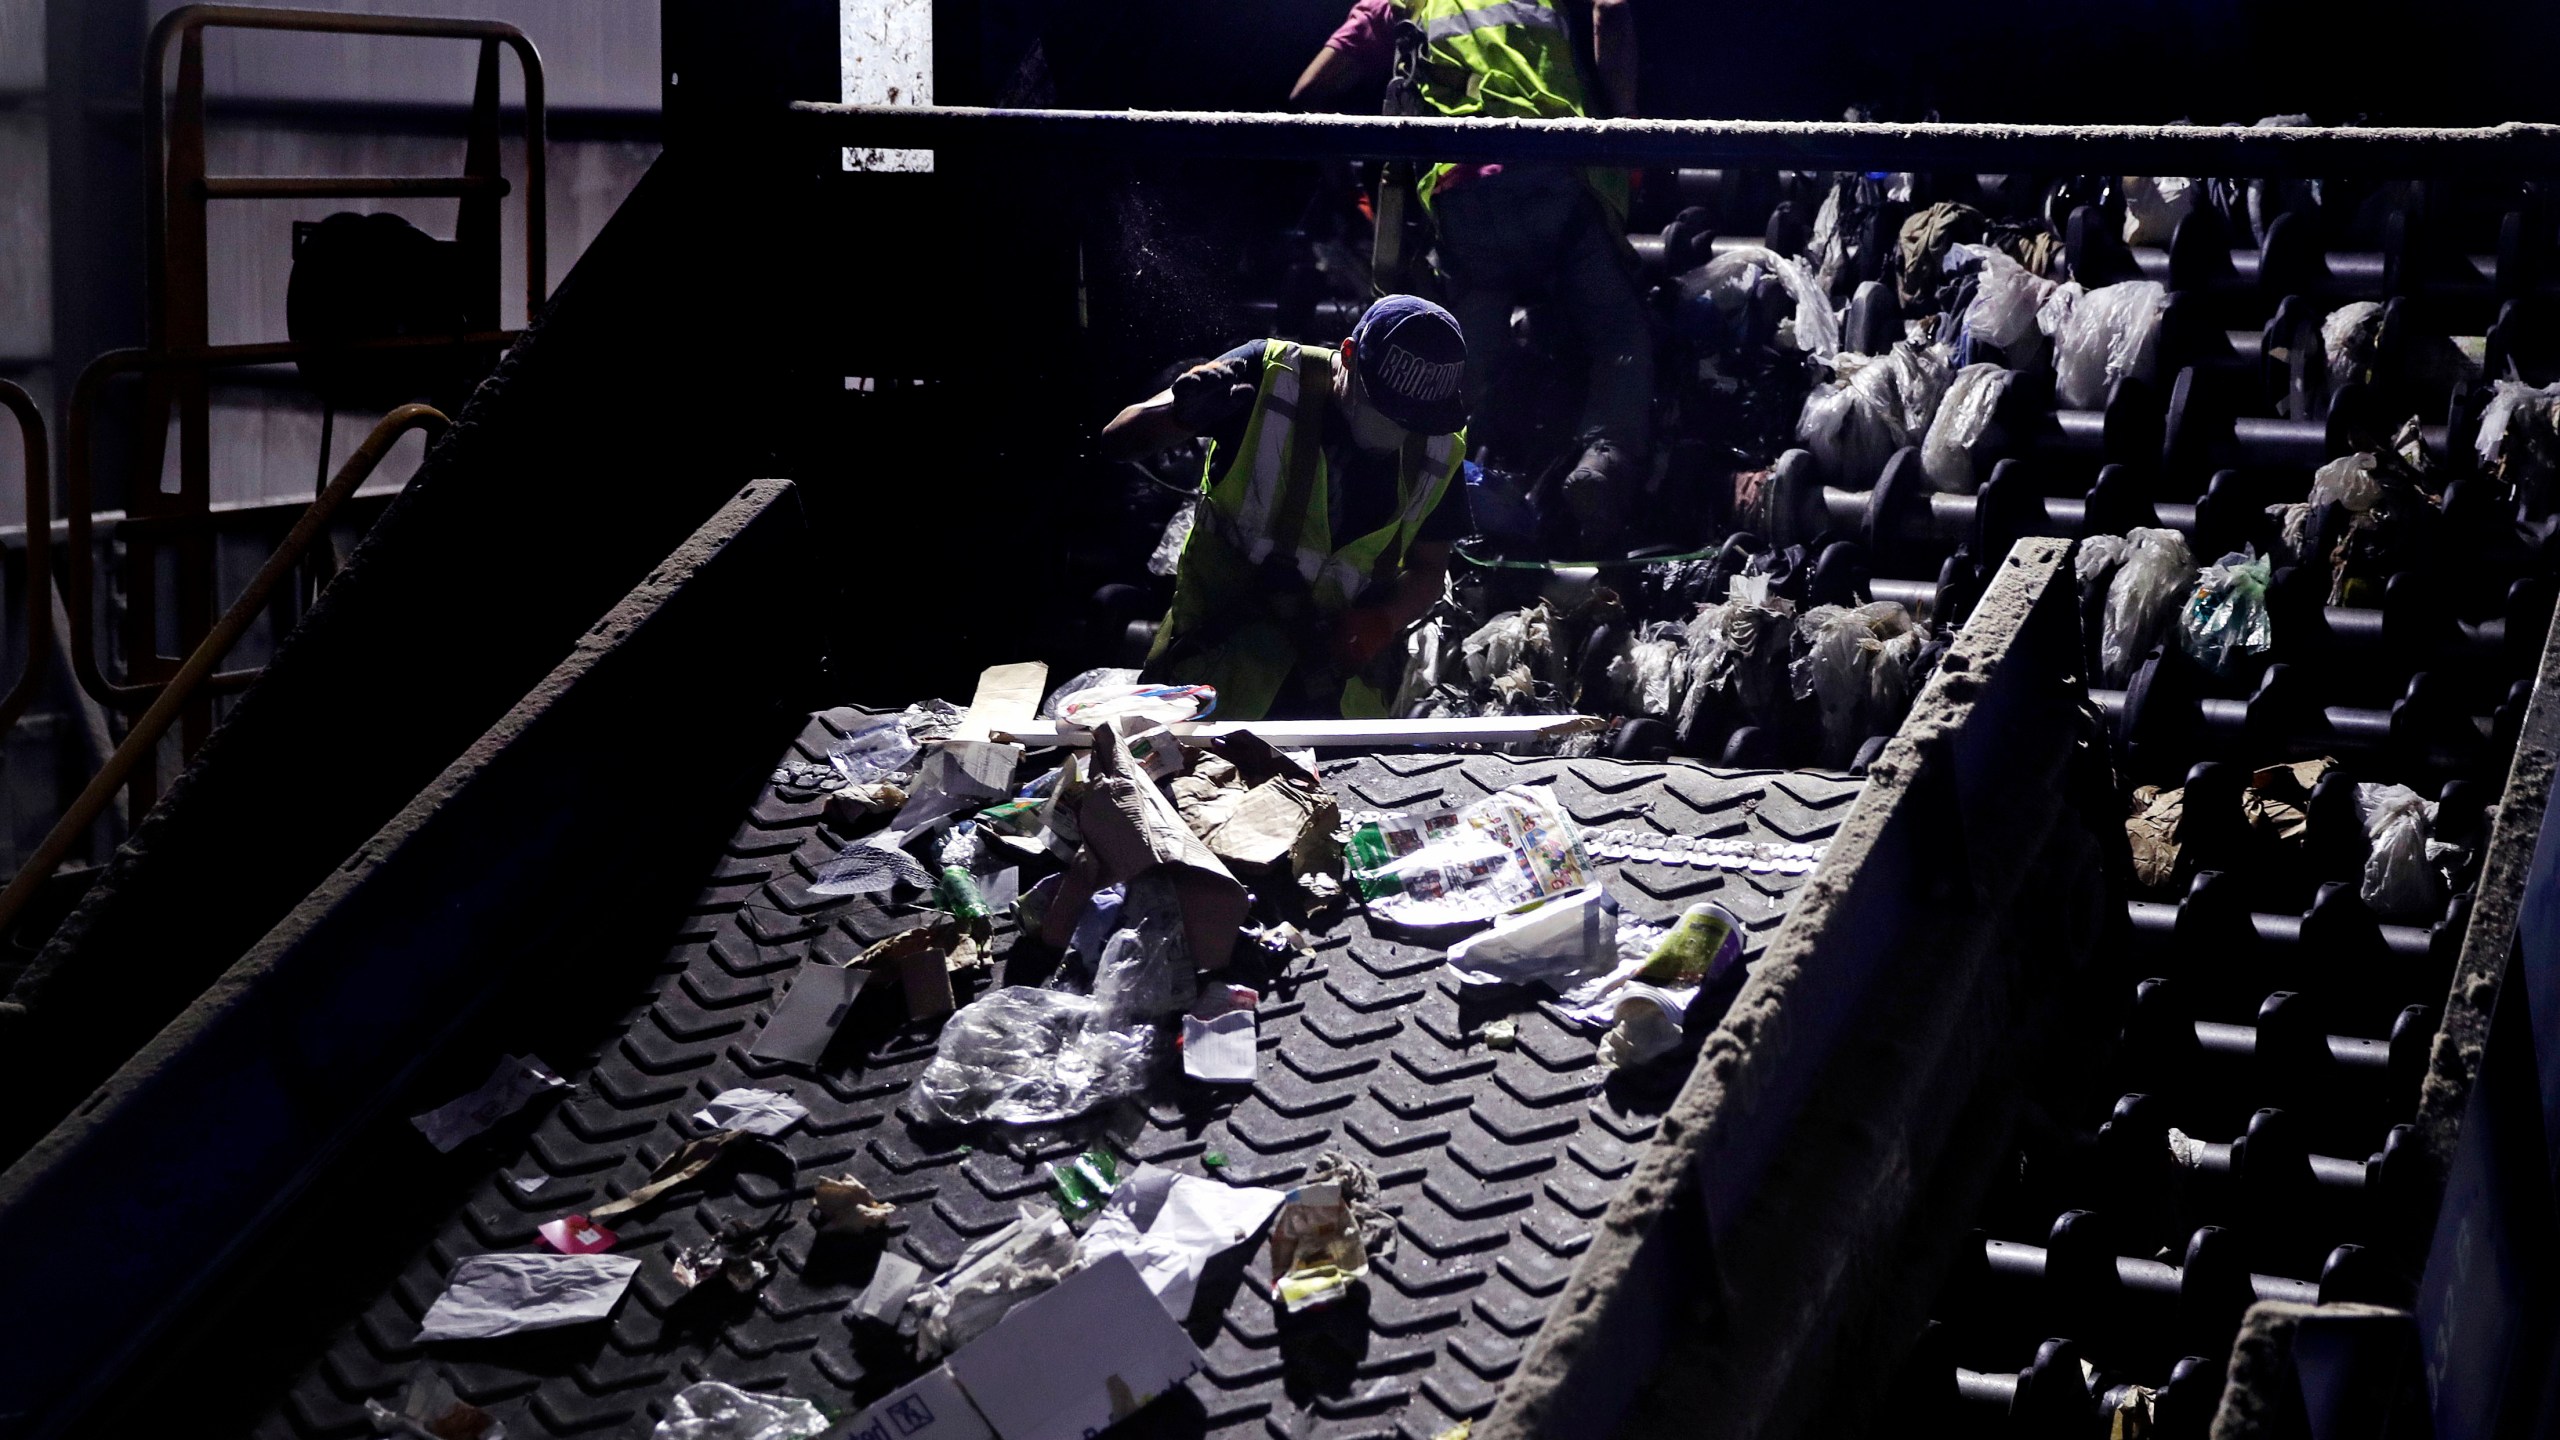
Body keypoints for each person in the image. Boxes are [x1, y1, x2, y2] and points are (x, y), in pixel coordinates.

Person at [1292, 0, 1652, 556]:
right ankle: (1603, 462)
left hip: (1464, 198)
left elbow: (1305, 96)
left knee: (1465, 362)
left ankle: (1446, 500)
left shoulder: (1398, 3)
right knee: (1618, 333)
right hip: (1555, 169)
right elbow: (1612, 11)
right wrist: (1621, 135)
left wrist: (1340, 185)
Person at [1101, 295, 1468, 721]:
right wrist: (1177, 418)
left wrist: (1383, 622)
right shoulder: (1271, 375)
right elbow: (1117, 441)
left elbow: (1429, 567)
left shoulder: (1440, 443)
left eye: (1412, 421)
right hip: (1211, 686)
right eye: (1382, 406)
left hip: (1337, 705)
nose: (1395, 428)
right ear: (1347, 355)